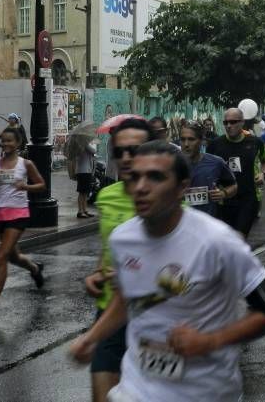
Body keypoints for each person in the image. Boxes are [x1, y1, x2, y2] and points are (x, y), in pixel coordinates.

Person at [69, 141, 265, 402]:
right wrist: (91, 337)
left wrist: (209, 341)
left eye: (155, 177)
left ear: (182, 187)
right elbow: (126, 298)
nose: (140, 187)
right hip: (136, 388)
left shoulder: (218, 242)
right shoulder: (122, 239)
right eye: (135, 177)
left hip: (206, 392)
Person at [84, 117, 155, 402]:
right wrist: (97, 273)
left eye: (134, 150)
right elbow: (108, 248)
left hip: (153, 321)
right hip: (109, 316)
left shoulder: (169, 201)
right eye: (119, 151)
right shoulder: (106, 196)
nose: (126, 158)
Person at [0, 127, 46, 319]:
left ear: (18, 143)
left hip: (18, 215)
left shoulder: (26, 164)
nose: (6, 144)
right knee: (13, 257)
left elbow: (41, 185)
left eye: (10, 141)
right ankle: (34, 268)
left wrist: (26, 186)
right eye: (3, 141)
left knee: (1, 256)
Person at [207, 108, 265, 237]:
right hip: (223, 200)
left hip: (248, 198)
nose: (229, 126)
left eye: (233, 122)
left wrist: (263, 173)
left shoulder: (255, 143)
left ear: (242, 122)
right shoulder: (215, 145)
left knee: (239, 237)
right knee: (225, 241)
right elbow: (206, 168)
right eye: (226, 123)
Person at [180, 122, 237, 216]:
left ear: (201, 140)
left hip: (208, 222)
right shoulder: (170, 164)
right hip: (180, 223)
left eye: (191, 139)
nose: (186, 144)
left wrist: (223, 193)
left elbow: (233, 186)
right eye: (182, 139)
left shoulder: (216, 163)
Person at [75, 139, 97, 218]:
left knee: (85, 192)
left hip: (86, 171)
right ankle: (80, 211)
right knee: (82, 192)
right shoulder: (84, 144)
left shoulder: (83, 145)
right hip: (83, 171)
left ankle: (84, 210)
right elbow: (94, 150)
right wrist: (91, 143)